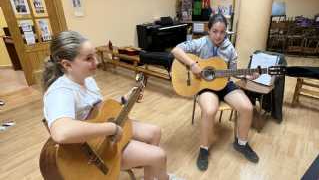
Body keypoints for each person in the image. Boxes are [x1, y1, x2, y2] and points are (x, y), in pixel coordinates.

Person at [42, 31, 184, 180]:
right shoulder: (60, 91)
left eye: (95, 55)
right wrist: (110, 128)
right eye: (88, 58)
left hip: (103, 137)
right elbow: (61, 132)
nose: (96, 62)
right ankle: (160, 174)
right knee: (159, 155)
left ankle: (151, 175)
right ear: (67, 64)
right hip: (91, 153)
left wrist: (123, 99)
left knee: (154, 132)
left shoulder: (87, 79)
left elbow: (98, 111)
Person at [171, 14, 260, 171]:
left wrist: (246, 75)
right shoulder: (200, 43)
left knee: (247, 107)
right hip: (204, 85)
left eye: (222, 32)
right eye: (215, 31)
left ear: (226, 32)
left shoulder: (230, 49)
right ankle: (204, 149)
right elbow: (176, 50)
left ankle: (241, 144)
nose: (218, 35)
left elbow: (233, 72)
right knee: (210, 110)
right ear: (209, 30)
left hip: (224, 83)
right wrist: (192, 64)